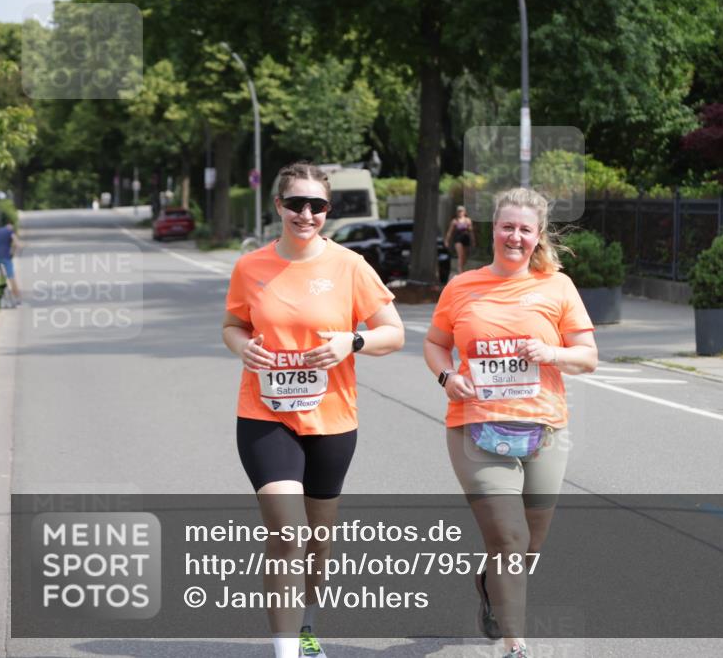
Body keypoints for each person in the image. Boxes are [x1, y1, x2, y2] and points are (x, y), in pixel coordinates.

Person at [222, 162, 404, 658]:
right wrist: (243, 348)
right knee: (287, 533)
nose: (306, 214)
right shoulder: (250, 267)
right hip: (265, 415)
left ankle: (306, 625)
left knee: (318, 541)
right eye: (296, 204)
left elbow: (394, 333)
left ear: (327, 210)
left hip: (332, 419)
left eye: (317, 205)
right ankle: (286, 651)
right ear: (278, 205)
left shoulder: (350, 265)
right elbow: (232, 325)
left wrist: (353, 341)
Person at [424, 188, 598, 658]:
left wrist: (551, 353)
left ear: (537, 235)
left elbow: (587, 356)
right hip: (474, 428)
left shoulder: (557, 287)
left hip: (544, 429)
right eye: (507, 227)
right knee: (509, 537)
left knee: (531, 543)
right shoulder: (462, 286)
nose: (515, 237)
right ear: (493, 230)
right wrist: (447, 377)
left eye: (524, 229)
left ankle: (489, 583)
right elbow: (436, 343)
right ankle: (514, 643)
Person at [0, 222, 20, 305]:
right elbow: (16, 243)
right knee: (11, 277)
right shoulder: (10, 231)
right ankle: (17, 298)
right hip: (6, 256)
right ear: (10, 227)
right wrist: (13, 253)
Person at [444, 205, 474, 276]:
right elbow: (449, 232)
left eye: (461, 211)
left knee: (465, 257)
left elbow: (471, 232)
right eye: (459, 211)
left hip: (466, 238)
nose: (460, 213)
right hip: (458, 239)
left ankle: (461, 268)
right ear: (457, 212)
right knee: (460, 255)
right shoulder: (454, 221)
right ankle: (460, 273)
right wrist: (446, 241)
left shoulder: (468, 220)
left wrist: (473, 240)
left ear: (464, 212)